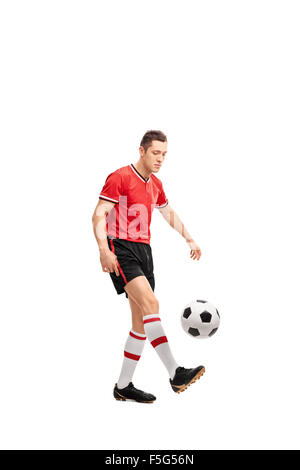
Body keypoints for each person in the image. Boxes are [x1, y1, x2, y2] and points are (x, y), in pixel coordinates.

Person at [92, 130, 205, 403]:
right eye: (156, 152)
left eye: (164, 154)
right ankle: (175, 372)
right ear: (141, 151)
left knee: (140, 325)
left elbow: (167, 212)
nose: (160, 158)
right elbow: (98, 214)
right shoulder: (119, 177)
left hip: (145, 251)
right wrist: (104, 249)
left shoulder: (155, 183)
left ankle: (123, 385)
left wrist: (189, 237)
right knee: (152, 305)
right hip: (121, 247)